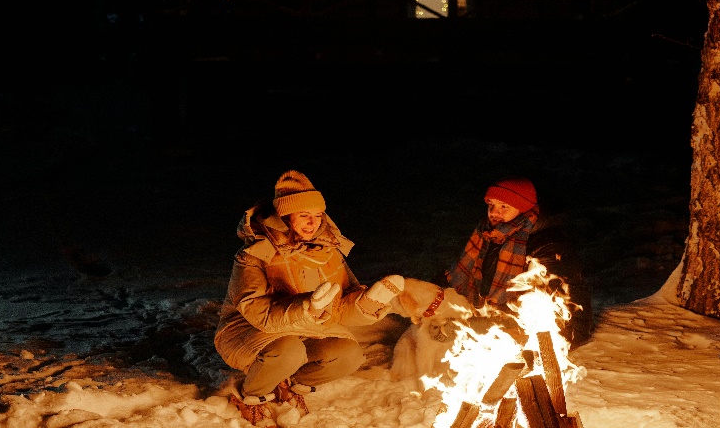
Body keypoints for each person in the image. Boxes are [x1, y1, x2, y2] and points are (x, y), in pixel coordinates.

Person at [214, 170, 403, 426]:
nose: (312, 223)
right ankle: (252, 396)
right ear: (285, 216)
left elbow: (339, 305)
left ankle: (290, 385)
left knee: (348, 354)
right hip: (249, 329)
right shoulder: (254, 255)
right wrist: (306, 307)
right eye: (304, 215)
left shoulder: (328, 252)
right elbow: (254, 309)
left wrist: (366, 303)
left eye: (317, 216)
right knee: (288, 350)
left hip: (309, 328)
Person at [441, 177, 592, 346]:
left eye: (504, 206)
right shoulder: (490, 235)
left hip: (556, 333)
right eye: (491, 205)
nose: (494, 212)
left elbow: (554, 312)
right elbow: (459, 277)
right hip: (502, 320)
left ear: (524, 209)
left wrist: (481, 326)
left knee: (455, 336)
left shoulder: (548, 246)